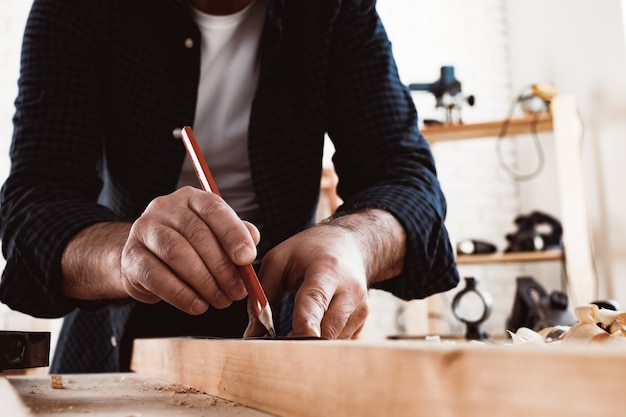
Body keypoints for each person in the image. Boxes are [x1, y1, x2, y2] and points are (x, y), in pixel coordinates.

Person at [0, 0, 459, 373]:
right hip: (115, 329)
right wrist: (125, 254)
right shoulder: (77, 9)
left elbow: (406, 179)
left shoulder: (339, 9)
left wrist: (354, 244)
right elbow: (35, 207)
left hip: (285, 328)